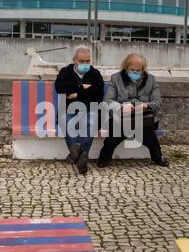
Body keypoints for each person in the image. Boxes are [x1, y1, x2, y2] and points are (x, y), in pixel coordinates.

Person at [97, 53, 169, 168]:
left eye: (138, 70)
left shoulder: (151, 79)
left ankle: (158, 157)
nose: (135, 72)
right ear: (126, 68)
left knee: (149, 134)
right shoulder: (116, 78)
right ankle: (104, 158)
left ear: (143, 69)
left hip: (143, 119)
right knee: (114, 134)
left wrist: (146, 105)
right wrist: (121, 107)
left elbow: (158, 102)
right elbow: (107, 101)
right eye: (132, 70)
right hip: (121, 118)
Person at [55, 45, 105, 174]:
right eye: (82, 61)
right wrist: (82, 85)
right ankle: (81, 157)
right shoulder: (65, 72)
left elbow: (98, 94)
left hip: (90, 109)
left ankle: (76, 151)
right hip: (68, 110)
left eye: (88, 61)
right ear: (74, 60)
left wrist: (77, 94)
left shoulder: (95, 73)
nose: (85, 64)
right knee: (66, 122)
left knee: (92, 123)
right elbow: (60, 88)